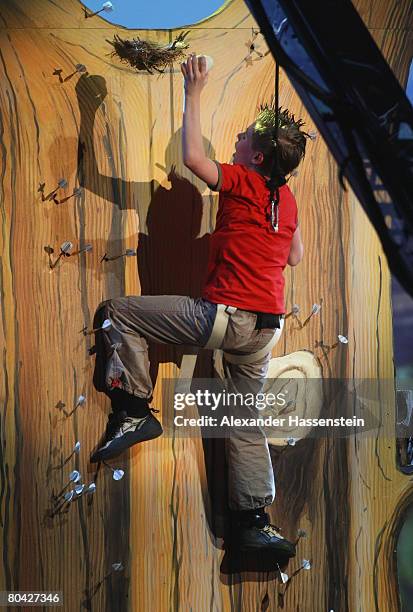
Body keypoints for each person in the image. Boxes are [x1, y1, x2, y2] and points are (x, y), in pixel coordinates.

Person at [90, 54, 306, 555]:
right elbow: (293, 256)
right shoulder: (285, 201)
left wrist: (193, 90)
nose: (236, 139)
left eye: (245, 137)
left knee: (118, 311)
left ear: (254, 159)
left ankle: (134, 408)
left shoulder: (241, 180)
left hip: (227, 319)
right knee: (244, 416)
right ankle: (253, 522)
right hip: (265, 331)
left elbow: (192, 158)